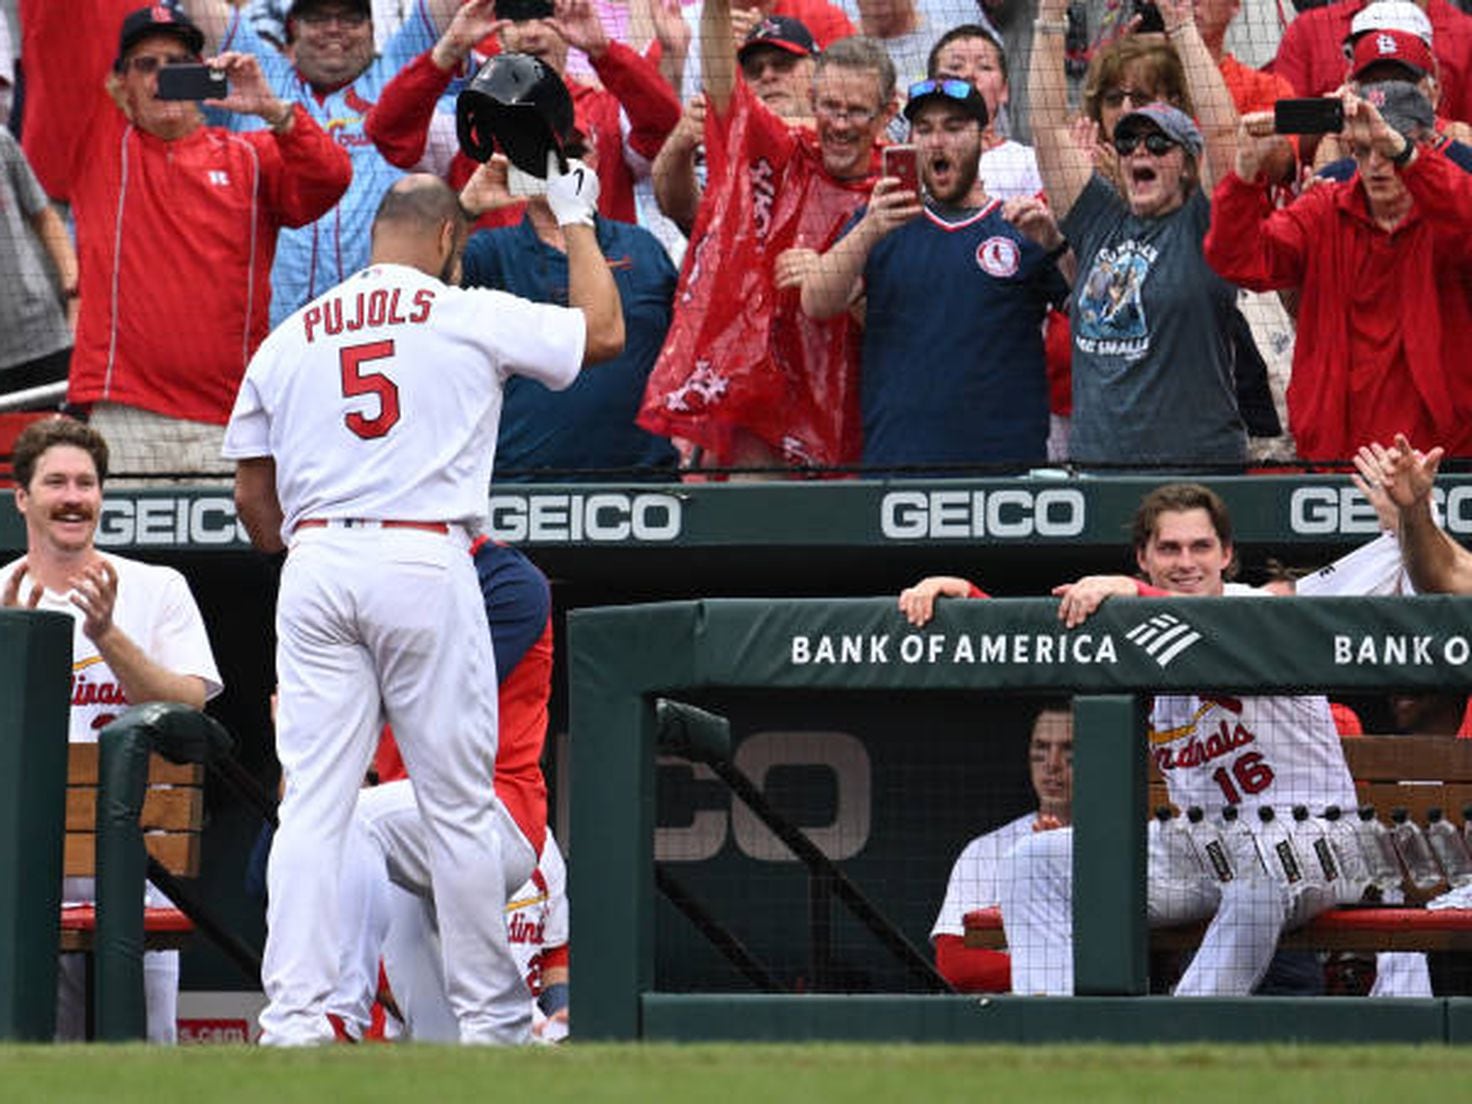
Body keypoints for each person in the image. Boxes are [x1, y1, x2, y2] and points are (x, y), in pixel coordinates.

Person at [222, 169, 623, 1045]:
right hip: (422, 545)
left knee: (315, 807)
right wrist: (578, 215)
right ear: (450, 242)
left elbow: (256, 512)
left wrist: (326, 538)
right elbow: (603, 332)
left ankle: (296, 1019)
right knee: (455, 802)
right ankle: (492, 1023)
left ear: (378, 238)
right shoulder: (463, 308)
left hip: (317, 555)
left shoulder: (289, 336)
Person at [17, 1, 351, 477]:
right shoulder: (97, 145)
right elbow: (61, 27)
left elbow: (333, 179)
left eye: (178, 67)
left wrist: (274, 110)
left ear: (203, 76)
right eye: (146, 65)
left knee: (236, 555)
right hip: (127, 417)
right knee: (118, 555)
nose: (161, 77)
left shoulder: (252, 156)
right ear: (121, 83)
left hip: (230, 419)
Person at [0, 417, 223, 1041]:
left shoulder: (156, 587)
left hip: (133, 860)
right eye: (56, 483)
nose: (73, 497)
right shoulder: (1, 597)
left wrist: (107, 635)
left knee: (142, 1054)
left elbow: (188, 707)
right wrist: (11, 649)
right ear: (22, 497)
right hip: (25, 861)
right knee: (34, 1054)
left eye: (86, 483)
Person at [639, 0, 896, 471]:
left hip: (864, 399)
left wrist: (830, 276)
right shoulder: (780, 147)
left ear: (885, 114)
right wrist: (716, 9)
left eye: (856, 111)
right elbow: (724, 89)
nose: (840, 123)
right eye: (831, 108)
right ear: (818, 100)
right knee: (748, 522)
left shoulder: (896, 181)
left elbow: (910, 319)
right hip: (765, 396)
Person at [326, 537, 563, 1042]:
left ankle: (334, 1022)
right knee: (443, 1039)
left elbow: (443, 697)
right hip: (405, 831)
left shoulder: (507, 578)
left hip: (495, 813)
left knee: (353, 820)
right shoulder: (368, 575)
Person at [800, 76, 1067, 472]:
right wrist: (869, 229)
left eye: (954, 127)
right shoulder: (882, 221)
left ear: (986, 137)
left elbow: (1089, 310)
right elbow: (817, 302)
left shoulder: (1020, 226)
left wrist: (1055, 244)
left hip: (1005, 467)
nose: (937, 141)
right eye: (924, 129)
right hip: (899, 464)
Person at [1029, 0, 1246, 471]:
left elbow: (1225, 133)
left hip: (1194, 473)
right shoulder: (1097, 217)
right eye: (1128, 141)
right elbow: (1046, 129)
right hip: (1098, 472)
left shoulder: (1205, 223)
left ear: (1189, 159)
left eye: (1157, 141)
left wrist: (1182, 23)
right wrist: (1049, 17)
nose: (1139, 150)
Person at [1204, 87, 1472, 462]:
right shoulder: (1323, 209)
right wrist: (1245, 172)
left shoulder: (1450, 211)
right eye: (1363, 150)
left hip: (1443, 459)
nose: (1376, 165)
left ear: (1423, 144)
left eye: (1388, 150)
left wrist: (1411, 161)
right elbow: (1238, 259)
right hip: (1337, 459)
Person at [180, 0, 466, 327]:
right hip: (273, 328)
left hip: (379, 322)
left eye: (350, 18)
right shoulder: (261, 76)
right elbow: (203, 9)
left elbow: (443, 8)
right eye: (317, 18)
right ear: (293, 31)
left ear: (372, 30)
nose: (333, 28)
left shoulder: (398, 73)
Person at [458, 131, 680, 479]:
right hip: (519, 489)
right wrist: (464, 210)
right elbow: (411, 293)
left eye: (572, 153)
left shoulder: (643, 245)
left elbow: (683, 349)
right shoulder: (489, 252)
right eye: (541, 155)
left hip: (644, 483)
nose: (556, 168)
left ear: (593, 163)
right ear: (518, 169)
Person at [361, 0, 681, 230]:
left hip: (597, 299)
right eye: (516, 17)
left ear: (570, 29)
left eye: (544, 16)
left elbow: (665, 128)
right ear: (497, 36)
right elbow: (388, 133)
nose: (531, 33)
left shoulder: (608, 113)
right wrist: (447, 52)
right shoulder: (465, 123)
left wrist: (603, 50)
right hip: (497, 309)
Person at [929, 701, 1073, 994]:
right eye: (1041, 748)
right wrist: (1057, 976)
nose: (1052, 764)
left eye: (1069, 749)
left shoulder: (1124, 848)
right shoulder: (987, 849)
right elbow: (954, 964)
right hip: (1005, 1018)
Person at [651, 15, 820, 239]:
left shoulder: (841, 131)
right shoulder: (729, 145)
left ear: (817, 70)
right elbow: (679, 209)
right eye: (754, 70)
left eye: (783, 64)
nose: (767, 75)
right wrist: (680, 144)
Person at [1274, 0, 1472, 127]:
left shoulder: (1466, 33)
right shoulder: (1308, 30)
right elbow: (1287, 139)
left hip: (1438, 182)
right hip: (1335, 181)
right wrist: (1336, 114)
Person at [926, 23, 1043, 201]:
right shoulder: (914, 161)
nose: (969, 75)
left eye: (985, 67)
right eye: (956, 67)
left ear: (1004, 89)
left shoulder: (1028, 163)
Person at [0, 126, 76, 400]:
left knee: (65, 437)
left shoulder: (2, 141)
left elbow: (45, 216)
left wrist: (74, 292)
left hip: (43, 336)